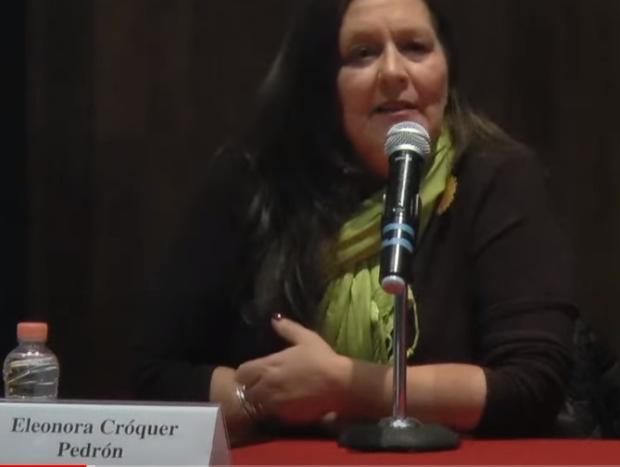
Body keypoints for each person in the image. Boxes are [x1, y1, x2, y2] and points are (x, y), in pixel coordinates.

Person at [133, 0, 578, 444]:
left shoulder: (494, 178)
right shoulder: (253, 182)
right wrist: (265, 399)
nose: (393, 73)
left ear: (446, 68)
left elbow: (531, 386)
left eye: (415, 48)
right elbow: (156, 374)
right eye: (362, 53)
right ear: (320, 80)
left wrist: (345, 386)